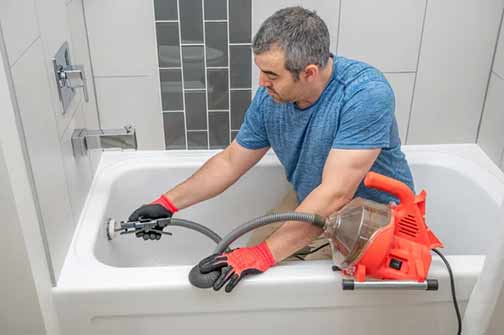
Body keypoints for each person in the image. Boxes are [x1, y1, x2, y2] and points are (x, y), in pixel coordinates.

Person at [128, 6, 414, 293]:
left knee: (265, 277)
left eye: (271, 74)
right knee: (251, 250)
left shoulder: (364, 94)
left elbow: (335, 194)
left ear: (309, 73)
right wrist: (167, 203)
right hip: (315, 200)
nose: (262, 83)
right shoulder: (271, 98)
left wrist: (264, 256)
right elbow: (230, 161)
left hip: (373, 226)